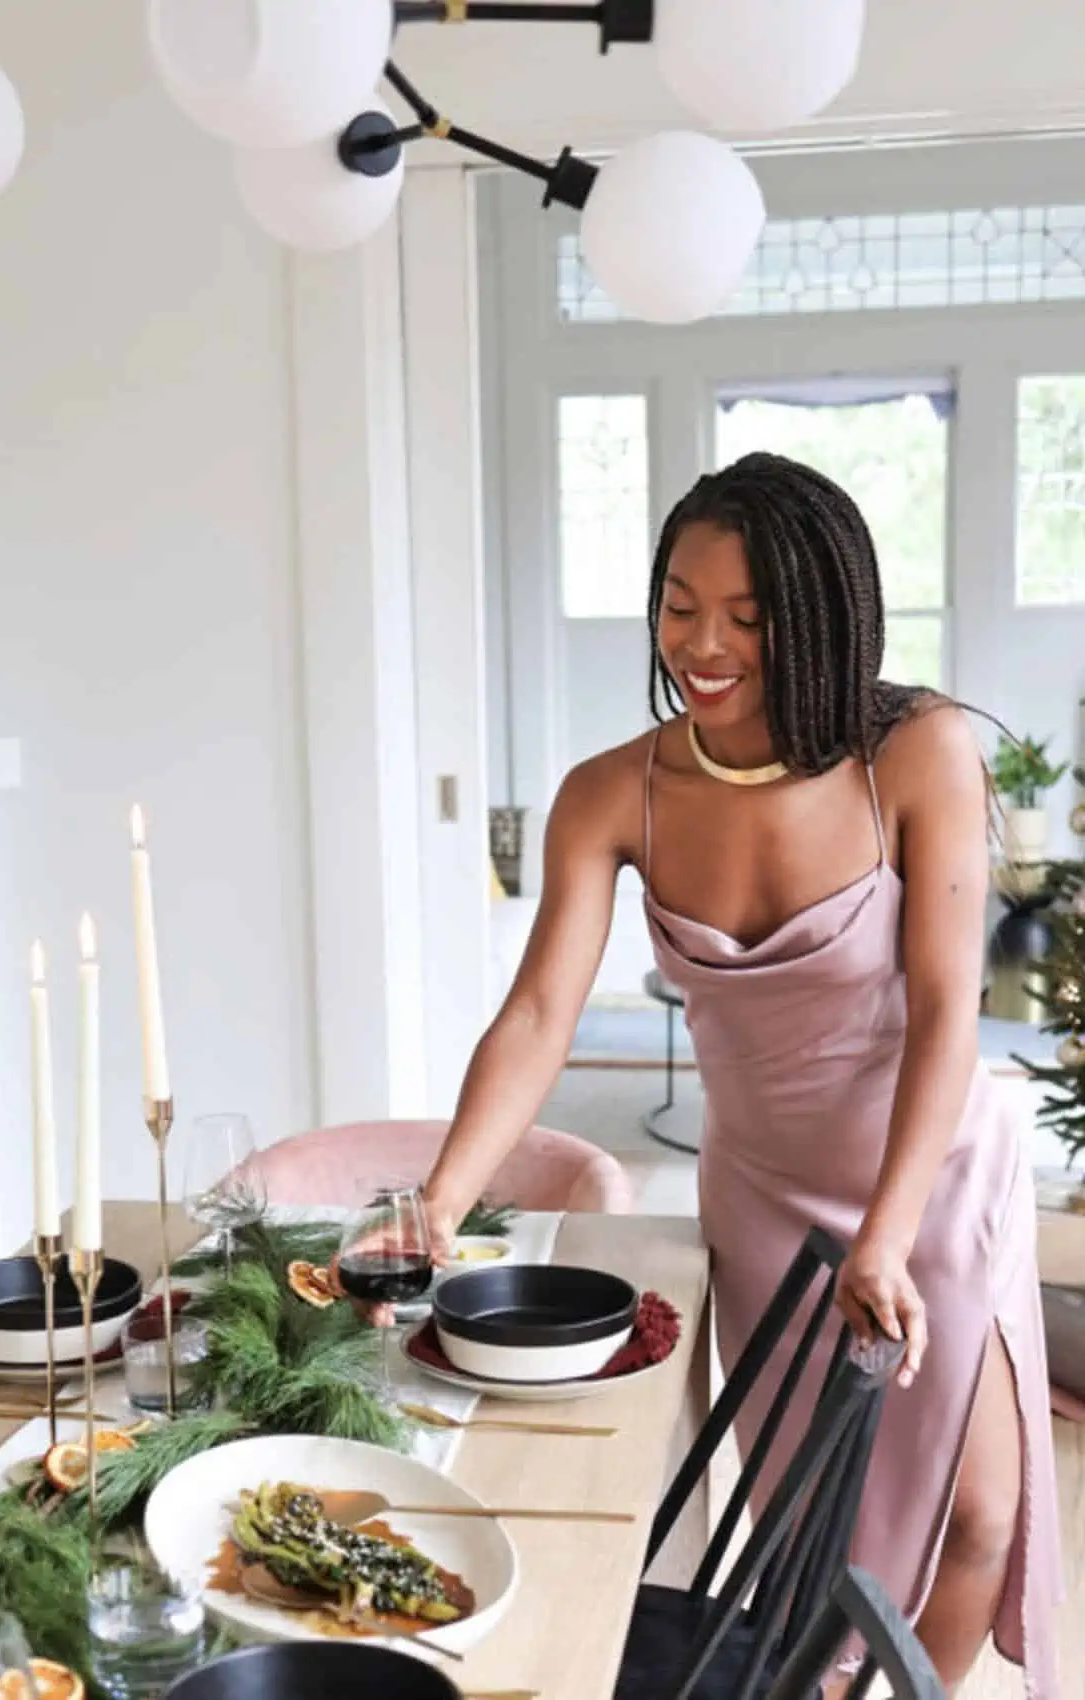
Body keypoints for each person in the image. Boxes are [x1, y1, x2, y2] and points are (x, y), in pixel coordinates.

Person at [382, 453, 1061, 1698]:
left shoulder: (918, 753)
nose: (703, 641)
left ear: (822, 617)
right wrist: (436, 1205)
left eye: (747, 617)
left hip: (932, 1184)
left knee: (982, 1515)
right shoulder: (610, 793)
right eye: (681, 603)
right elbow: (538, 1014)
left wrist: (890, 1239)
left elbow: (949, 1014)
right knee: (820, 1544)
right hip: (764, 1202)